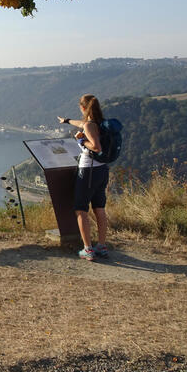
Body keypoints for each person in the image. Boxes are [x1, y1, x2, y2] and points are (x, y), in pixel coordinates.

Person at [57, 94, 109, 261]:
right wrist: (67, 121)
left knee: (81, 209)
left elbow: (96, 146)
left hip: (89, 170)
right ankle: (101, 246)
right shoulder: (102, 123)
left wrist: (80, 142)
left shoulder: (89, 125)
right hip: (102, 170)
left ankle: (88, 249)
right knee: (99, 208)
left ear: (83, 108)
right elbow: (81, 123)